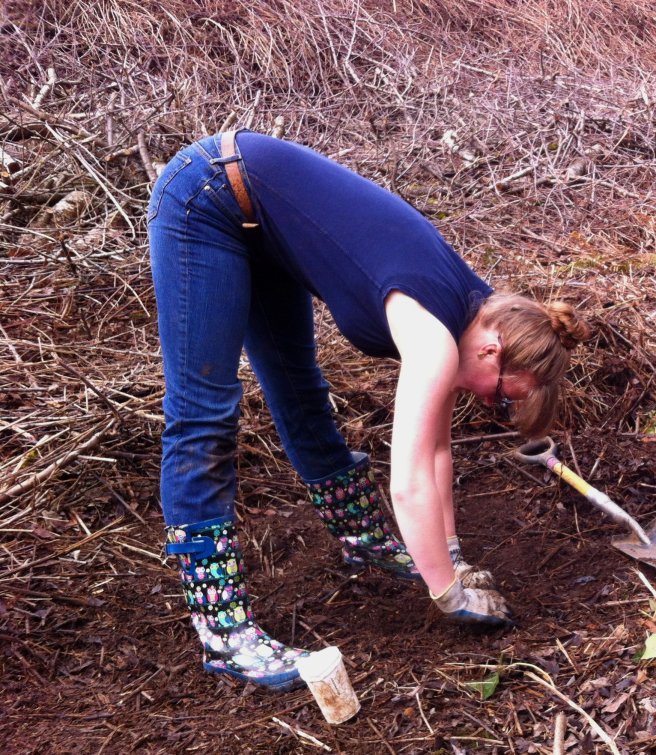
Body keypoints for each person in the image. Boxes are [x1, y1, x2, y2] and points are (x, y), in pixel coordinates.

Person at [147, 131, 591, 690]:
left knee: (298, 386)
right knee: (204, 412)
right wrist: (446, 590)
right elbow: (407, 484)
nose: (490, 405)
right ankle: (224, 631)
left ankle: (362, 537)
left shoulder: (480, 312)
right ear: (492, 351)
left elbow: (435, 445)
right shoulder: (437, 339)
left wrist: (449, 555)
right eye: (502, 397)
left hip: (261, 227)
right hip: (207, 195)